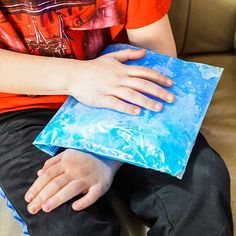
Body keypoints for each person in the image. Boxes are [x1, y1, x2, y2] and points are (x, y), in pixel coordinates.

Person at [0, 0, 233, 235]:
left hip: (124, 99)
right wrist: (76, 77)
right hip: (17, 112)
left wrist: (103, 152)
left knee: (203, 182)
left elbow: (160, 62)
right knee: (62, 219)